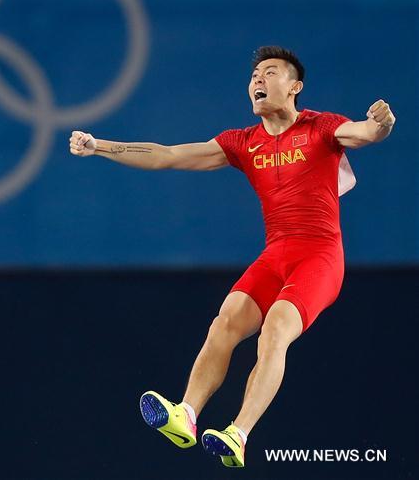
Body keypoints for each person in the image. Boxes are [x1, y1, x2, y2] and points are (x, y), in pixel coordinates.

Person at [68, 46, 396, 468]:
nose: (258, 80)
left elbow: (365, 133)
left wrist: (382, 124)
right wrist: (99, 146)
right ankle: (185, 414)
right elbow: (166, 155)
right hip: (275, 256)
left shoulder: (320, 127)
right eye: (254, 75)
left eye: (270, 72)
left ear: (295, 86)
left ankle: (238, 434)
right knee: (225, 321)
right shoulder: (243, 143)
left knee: (276, 328)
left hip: (320, 258)